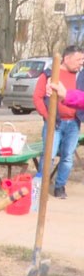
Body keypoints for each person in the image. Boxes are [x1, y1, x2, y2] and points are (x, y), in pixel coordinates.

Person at [31, 45, 84, 199]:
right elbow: (37, 98)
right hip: (55, 123)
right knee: (49, 155)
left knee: (67, 157)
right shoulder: (49, 74)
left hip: (73, 123)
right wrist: (48, 117)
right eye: (78, 59)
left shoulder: (79, 77)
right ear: (66, 58)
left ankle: (60, 186)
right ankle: (41, 187)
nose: (81, 63)